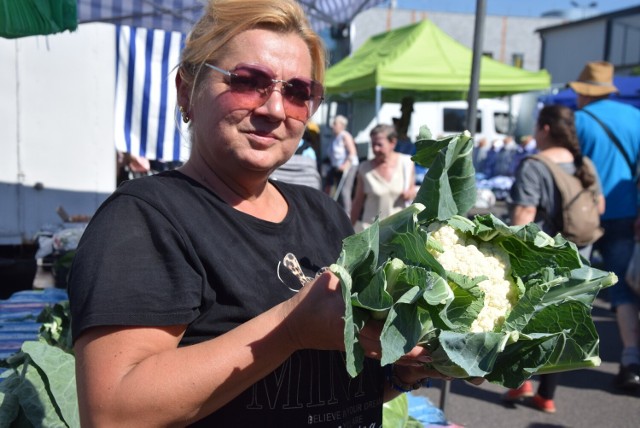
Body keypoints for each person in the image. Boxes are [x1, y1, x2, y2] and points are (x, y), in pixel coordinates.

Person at [67, 1, 446, 426]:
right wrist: (289, 330)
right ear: (185, 90)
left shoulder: (323, 213)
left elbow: (337, 390)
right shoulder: (145, 219)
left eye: (299, 92)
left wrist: (404, 372)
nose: (275, 110)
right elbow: (113, 412)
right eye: (248, 81)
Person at [505, 104, 605, 413]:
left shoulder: (535, 165)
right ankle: (546, 396)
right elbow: (599, 207)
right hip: (582, 254)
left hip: (547, 257)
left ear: (545, 128)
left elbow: (524, 217)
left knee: (528, 317)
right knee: (564, 324)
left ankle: (521, 379)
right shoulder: (583, 161)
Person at [569, 61, 640, 391]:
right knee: (622, 289)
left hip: (582, 214)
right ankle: (630, 359)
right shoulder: (634, 117)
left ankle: (562, 353)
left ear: (584, 93)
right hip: (626, 213)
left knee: (572, 283)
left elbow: (569, 170)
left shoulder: (578, 121)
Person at [351, 124, 416, 232]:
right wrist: (348, 229)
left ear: (393, 143)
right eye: (373, 144)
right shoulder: (364, 168)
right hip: (371, 233)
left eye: (379, 144)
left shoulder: (406, 163)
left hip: (398, 232)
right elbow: (358, 202)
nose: (375, 148)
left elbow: (412, 189)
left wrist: (410, 193)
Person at [325, 114, 359, 213]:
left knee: (345, 191)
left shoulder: (345, 135)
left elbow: (353, 152)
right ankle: (338, 212)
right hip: (337, 167)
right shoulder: (335, 137)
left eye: (335, 123)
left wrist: (345, 165)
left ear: (341, 125)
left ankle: (348, 214)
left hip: (348, 166)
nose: (332, 126)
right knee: (334, 190)